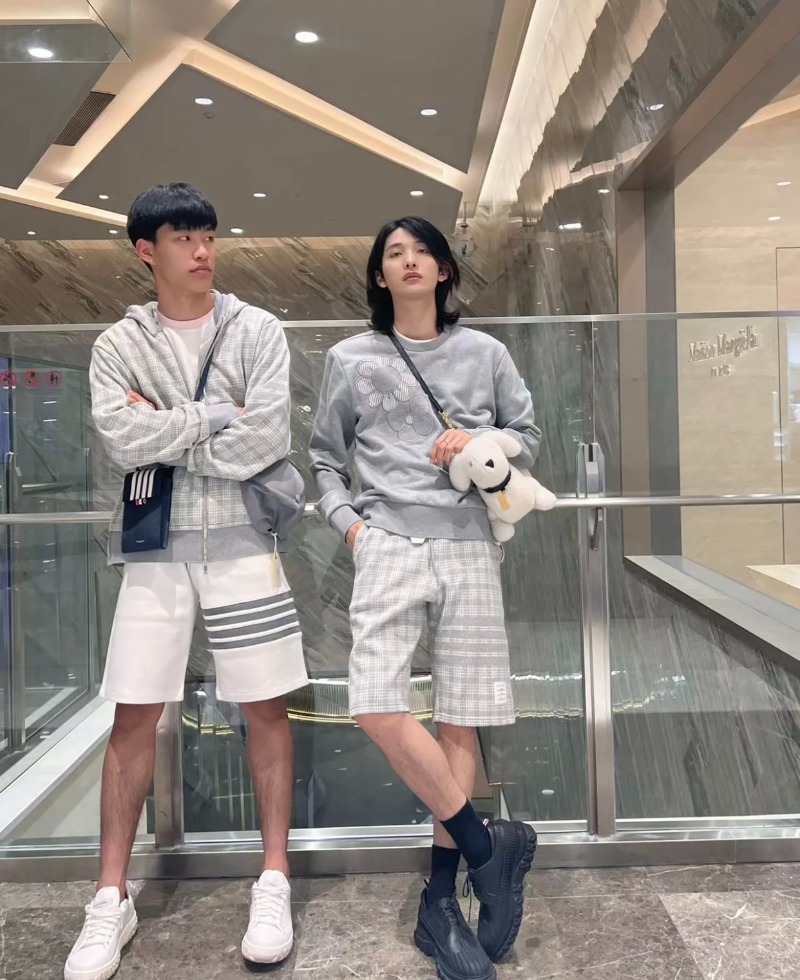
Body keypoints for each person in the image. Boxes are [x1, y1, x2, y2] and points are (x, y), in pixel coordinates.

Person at [65, 183, 309, 980]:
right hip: (154, 548)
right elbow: (120, 438)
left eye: (208, 236)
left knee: (265, 705)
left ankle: (273, 878)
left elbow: (265, 439)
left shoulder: (257, 329)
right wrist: (213, 415)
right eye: (183, 238)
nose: (203, 251)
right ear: (147, 250)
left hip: (243, 544)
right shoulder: (118, 344)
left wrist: (168, 426)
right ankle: (111, 896)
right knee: (134, 712)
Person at [309, 216, 541, 980]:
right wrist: (352, 529)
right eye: (393, 254)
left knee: (458, 716)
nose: (408, 262)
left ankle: (441, 902)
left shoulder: (486, 354)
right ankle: (486, 848)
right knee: (376, 704)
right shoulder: (351, 358)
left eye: (422, 252)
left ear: (444, 269)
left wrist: (479, 440)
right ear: (379, 276)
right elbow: (324, 458)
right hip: (387, 542)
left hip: (469, 541)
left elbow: (528, 435)